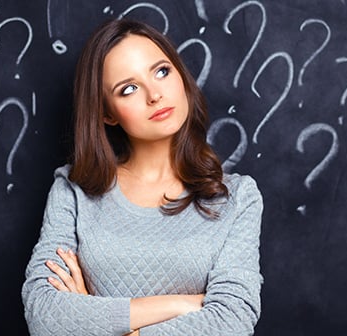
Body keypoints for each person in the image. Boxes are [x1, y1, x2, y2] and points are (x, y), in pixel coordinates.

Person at [21, 18, 264, 336]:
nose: (154, 94)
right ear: (107, 113)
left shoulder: (237, 197)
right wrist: (181, 304)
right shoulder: (73, 190)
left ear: (180, 75)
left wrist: (94, 317)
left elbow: (233, 319)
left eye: (162, 71)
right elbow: (44, 316)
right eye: (128, 89)